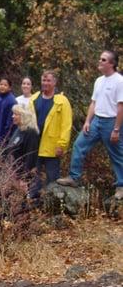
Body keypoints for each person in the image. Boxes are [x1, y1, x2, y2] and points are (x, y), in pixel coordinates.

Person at [57, 51, 123, 198]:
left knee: (117, 155)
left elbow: (121, 107)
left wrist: (117, 129)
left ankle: (121, 186)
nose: (99, 61)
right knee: (79, 145)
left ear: (112, 64)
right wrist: (87, 121)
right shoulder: (99, 80)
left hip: (111, 123)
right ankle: (74, 177)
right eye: (100, 58)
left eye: (103, 59)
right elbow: (93, 103)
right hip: (96, 121)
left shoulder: (119, 81)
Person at [29, 71, 72, 190]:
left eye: (48, 81)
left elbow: (66, 125)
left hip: (52, 147)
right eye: (44, 80)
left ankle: (50, 205)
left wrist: (62, 145)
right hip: (34, 146)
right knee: (33, 178)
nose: (45, 83)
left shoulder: (62, 101)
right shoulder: (34, 98)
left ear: (54, 82)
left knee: (52, 180)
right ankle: (33, 201)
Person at [8, 105, 40, 195]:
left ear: (23, 116)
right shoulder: (19, 129)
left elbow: (31, 158)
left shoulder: (31, 133)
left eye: (16, 114)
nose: (12, 116)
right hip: (13, 173)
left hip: (23, 177)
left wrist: (24, 179)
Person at [0, 77, 17, 144]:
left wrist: (5, 137)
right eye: (1, 84)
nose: (2, 86)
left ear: (10, 88)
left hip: (4, 136)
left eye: (5, 85)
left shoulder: (12, 101)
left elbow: (10, 122)